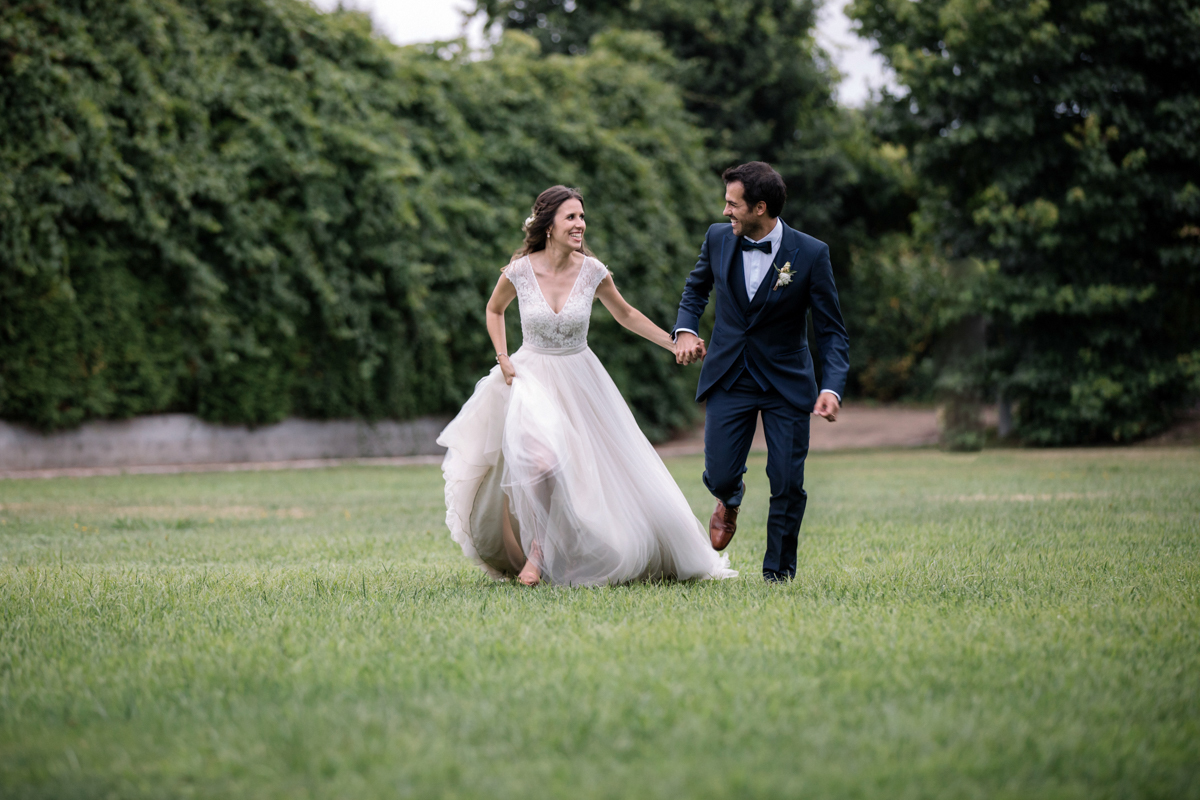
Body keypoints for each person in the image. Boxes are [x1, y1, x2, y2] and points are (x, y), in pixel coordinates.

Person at [438, 186, 736, 587]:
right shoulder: (520, 272)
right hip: (529, 378)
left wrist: (674, 343)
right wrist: (502, 356)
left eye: (582, 217)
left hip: (581, 379)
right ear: (548, 226)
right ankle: (538, 552)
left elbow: (626, 314)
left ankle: (573, 549)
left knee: (595, 471)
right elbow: (494, 310)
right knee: (541, 462)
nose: (580, 225)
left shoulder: (593, 271)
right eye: (571, 217)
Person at [673, 162, 849, 583]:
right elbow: (696, 289)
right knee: (718, 472)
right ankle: (729, 498)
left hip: (787, 383)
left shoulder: (811, 254)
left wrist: (832, 387)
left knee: (787, 482)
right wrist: (684, 330)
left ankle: (778, 573)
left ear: (761, 208)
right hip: (730, 374)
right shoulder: (717, 239)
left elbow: (831, 331)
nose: (725, 212)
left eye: (733, 204)